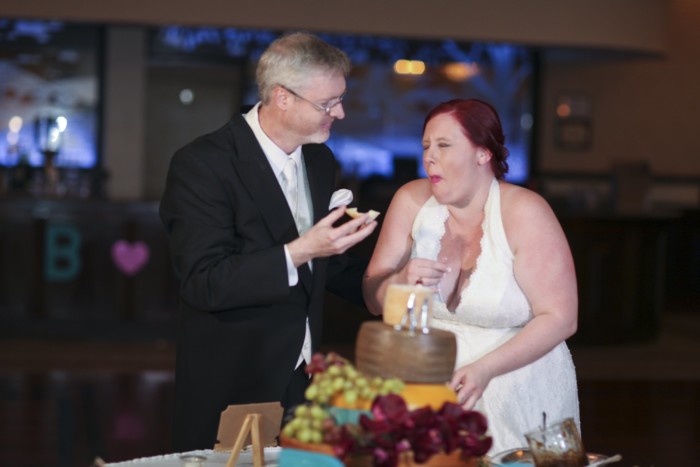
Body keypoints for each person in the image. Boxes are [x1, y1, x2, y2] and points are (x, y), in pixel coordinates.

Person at [159, 31, 377, 451]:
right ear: (282, 98)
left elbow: (323, 266)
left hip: (303, 377)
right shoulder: (203, 164)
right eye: (328, 103)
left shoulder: (318, 158)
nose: (341, 113)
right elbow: (206, 281)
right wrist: (303, 250)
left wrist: (389, 288)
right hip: (233, 378)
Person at [362, 98, 580, 454]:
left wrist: (484, 369)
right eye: (426, 146)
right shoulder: (411, 201)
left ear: (483, 153)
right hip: (428, 383)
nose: (430, 156)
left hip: (516, 381)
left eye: (444, 146)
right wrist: (398, 280)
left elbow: (561, 318)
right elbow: (373, 299)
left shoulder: (525, 212)